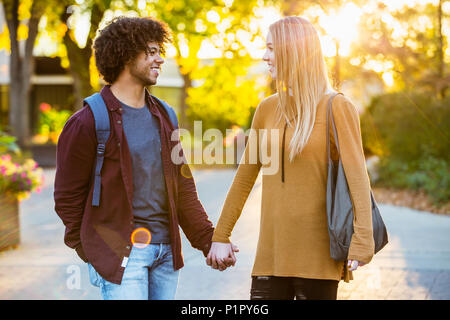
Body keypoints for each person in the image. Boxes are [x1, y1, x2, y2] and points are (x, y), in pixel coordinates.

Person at [54, 16, 236, 300]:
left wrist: (208, 240)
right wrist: (94, 250)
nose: (160, 59)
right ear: (125, 54)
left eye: (159, 51)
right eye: (151, 52)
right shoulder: (88, 121)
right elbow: (67, 198)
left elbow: (182, 186)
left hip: (166, 254)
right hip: (121, 255)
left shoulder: (165, 116)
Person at [206, 16, 375, 300]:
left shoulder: (338, 107)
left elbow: (358, 179)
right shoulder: (267, 109)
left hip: (318, 259)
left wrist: (363, 240)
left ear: (292, 50)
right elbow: (244, 178)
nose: (264, 56)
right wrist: (220, 235)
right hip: (270, 256)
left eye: (271, 48)